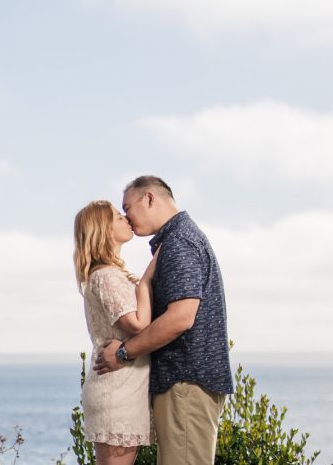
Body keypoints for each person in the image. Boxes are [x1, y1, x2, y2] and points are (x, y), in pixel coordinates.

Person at [95, 176, 233, 465]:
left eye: (127, 208)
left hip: (185, 382)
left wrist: (123, 353)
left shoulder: (178, 242)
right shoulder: (180, 238)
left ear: (149, 198)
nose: (127, 218)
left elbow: (181, 317)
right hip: (186, 383)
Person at [74, 199, 158, 465]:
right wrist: (146, 281)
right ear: (104, 230)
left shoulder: (106, 274)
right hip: (118, 390)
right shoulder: (106, 276)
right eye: (117, 216)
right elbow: (137, 324)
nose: (125, 218)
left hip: (122, 387)